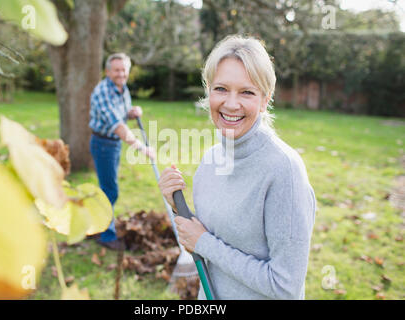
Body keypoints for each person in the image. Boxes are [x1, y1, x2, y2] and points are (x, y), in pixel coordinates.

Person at [158, 35, 316, 299]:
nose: (231, 104)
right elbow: (206, 241)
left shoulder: (284, 171)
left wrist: (205, 243)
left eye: (247, 92)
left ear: (265, 99)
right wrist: (178, 207)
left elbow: (285, 287)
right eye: (221, 89)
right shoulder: (210, 161)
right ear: (208, 91)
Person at [90, 53, 155, 250]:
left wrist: (132, 112)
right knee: (110, 190)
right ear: (108, 71)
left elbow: (121, 113)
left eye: (124, 70)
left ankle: (96, 226)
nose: (120, 74)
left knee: (107, 189)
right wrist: (141, 148)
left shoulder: (121, 88)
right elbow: (118, 126)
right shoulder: (103, 91)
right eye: (116, 70)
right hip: (103, 144)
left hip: (114, 144)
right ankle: (107, 236)